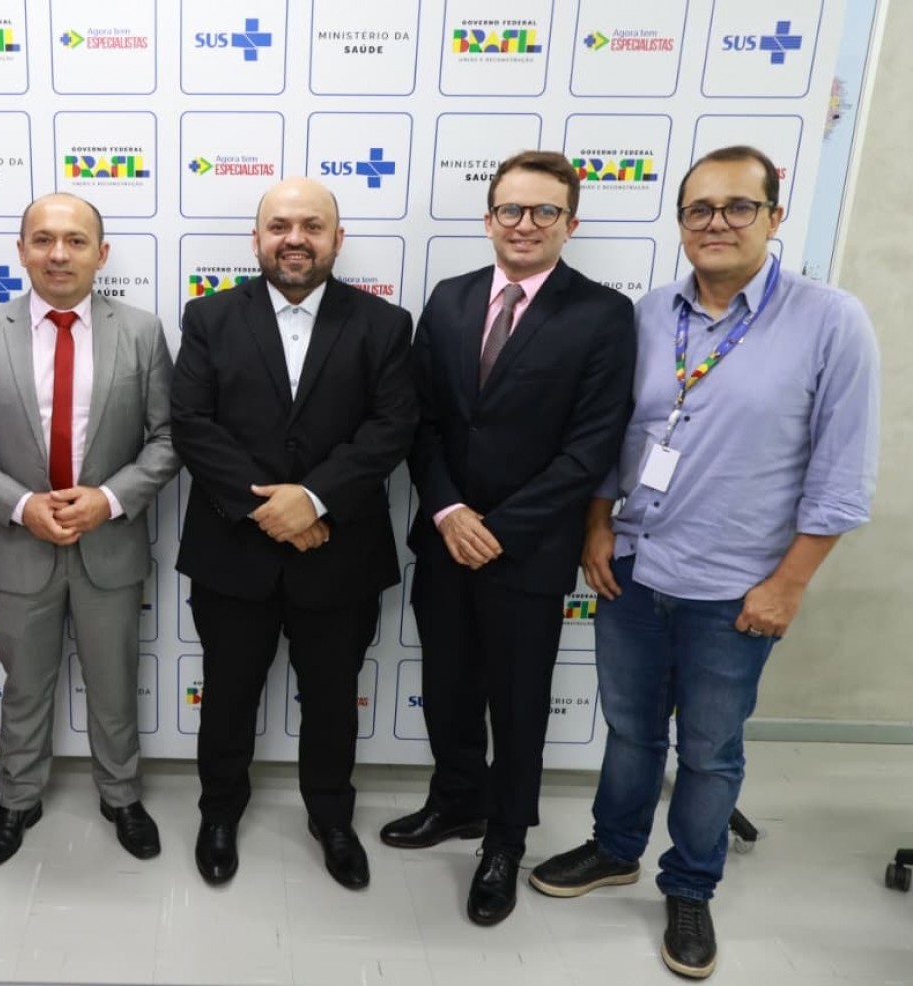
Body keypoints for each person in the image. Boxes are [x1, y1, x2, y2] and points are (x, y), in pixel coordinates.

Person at [528, 146, 879, 980]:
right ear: (681, 220)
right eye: (699, 209)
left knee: (711, 750)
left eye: (738, 206)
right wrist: (598, 527)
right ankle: (615, 848)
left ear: (775, 217)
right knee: (630, 732)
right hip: (635, 570)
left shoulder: (831, 321)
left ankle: (689, 885)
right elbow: (616, 437)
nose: (716, 222)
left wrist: (788, 585)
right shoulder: (651, 315)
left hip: (737, 588)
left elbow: (843, 476)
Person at [382, 150, 636, 925]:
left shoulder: (603, 315)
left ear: (571, 223)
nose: (526, 224)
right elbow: (421, 422)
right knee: (448, 687)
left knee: (519, 706)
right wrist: (449, 512)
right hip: (445, 539)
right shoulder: (451, 299)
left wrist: (497, 528)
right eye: (511, 210)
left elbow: (591, 448)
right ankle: (456, 799)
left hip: (528, 552)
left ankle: (504, 840)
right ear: (489, 218)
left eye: (544, 211)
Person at [171, 177, 417, 890]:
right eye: (279, 225)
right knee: (227, 696)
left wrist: (312, 500)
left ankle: (332, 818)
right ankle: (219, 814)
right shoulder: (209, 317)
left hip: (340, 551)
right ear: (257, 239)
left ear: (337, 239)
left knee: (334, 700)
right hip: (233, 550)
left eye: (312, 225)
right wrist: (269, 510)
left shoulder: (384, 324)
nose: (295, 239)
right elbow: (192, 424)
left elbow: (391, 428)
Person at [0, 193, 179, 867]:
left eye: (75, 240)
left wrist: (108, 499)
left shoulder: (142, 332)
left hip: (110, 544)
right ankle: (17, 800)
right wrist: (20, 505)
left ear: (102, 254)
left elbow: (167, 439)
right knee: (24, 686)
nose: (58, 254)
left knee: (115, 683)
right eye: (42, 239)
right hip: (21, 545)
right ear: (21, 251)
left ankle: (122, 796)